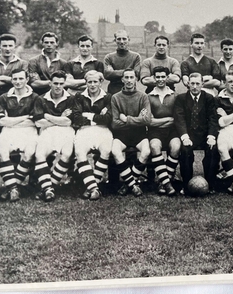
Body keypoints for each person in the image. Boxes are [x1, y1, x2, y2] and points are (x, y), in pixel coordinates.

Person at [0, 68, 40, 202]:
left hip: (28, 131)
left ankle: (12, 186)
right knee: (3, 151)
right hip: (9, 131)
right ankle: (14, 187)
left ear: (27, 80)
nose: (18, 81)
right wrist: (24, 117)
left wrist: (11, 122)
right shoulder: (4, 97)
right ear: (11, 80)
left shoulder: (35, 97)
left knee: (29, 152)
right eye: (15, 79)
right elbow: (1, 120)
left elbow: (34, 122)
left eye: (21, 78)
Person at [173, 72, 219, 194]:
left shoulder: (209, 98)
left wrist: (211, 136)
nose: (194, 86)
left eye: (197, 84)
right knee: (185, 151)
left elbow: (213, 119)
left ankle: (210, 184)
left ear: (202, 84)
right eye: (192, 83)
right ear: (187, 84)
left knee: (213, 150)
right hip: (189, 135)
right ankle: (187, 184)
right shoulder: (181, 98)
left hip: (205, 134)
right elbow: (179, 119)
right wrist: (184, 137)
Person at [32, 71, 76, 202]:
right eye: (55, 83)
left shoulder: (71, 98)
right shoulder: (41, 98)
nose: (58, 86)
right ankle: (49, 189)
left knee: (67, 154)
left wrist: (48, 116)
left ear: (65, 84)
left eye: (61, 84)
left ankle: (48, 187)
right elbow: (38, 122)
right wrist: (60, 118)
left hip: (66, 131)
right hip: (48, 132)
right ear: (50, 83)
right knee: (39, 154)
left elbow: (69, 122)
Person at [72, 70, 113, 200]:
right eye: (90, 82)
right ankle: (94, 188)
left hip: (103, 129)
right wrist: (97, 117)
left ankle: (89, 186)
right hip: (84, 130)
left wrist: (88, 115)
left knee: (106, 151)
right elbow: (77, 118)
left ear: (101, 83)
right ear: (86, 83)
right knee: (80, 152)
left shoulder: (108, 97)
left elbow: (107, 119)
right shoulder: (79, 96)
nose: (92, 85)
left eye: (95, 81)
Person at [110, 69, 151, 196]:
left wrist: (127, 119)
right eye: (126, 77)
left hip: (139, 134)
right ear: (122, 79)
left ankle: (127, 183)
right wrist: (137, 119)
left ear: (136, 79)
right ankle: (133, 184)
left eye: (131, 77)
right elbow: (115, 123)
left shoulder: (143, 97)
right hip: (121, 134)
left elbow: (147, 120)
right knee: (115, 151)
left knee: (146, 152)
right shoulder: (116, 97)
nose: (129, 80)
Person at [147, 66, 180, 196]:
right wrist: (167, 119)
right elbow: (149, 121)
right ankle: (167, 183)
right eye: (158, 77)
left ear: (167, 78)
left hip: (172, 131)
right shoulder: (148, 97)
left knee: (176, 147)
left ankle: (163, 181)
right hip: (155, 132)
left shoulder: (175, 96)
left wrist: (158, 121)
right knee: (155, 146)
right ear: (154, 78)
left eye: (163, 77)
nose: (160, 79)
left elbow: (176, 120)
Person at [0, 33, 28, 113]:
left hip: (16, 97)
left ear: (15, 47)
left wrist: (1, 78)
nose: (7, 49)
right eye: (4, 46)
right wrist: (13, 80)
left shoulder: (22, 63)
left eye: (10, 46)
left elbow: (24, 83)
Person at [103, 30, 141, 95]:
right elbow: (107, 74)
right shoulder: (109, 57)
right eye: (119, 39)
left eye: (124, 39)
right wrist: (129, 71)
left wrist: (114, 72)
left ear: (128, 40)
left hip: (131, 92)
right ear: (115, 40)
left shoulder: (136, 57)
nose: (122, 42)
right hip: (113, 91)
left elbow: (137, 74)